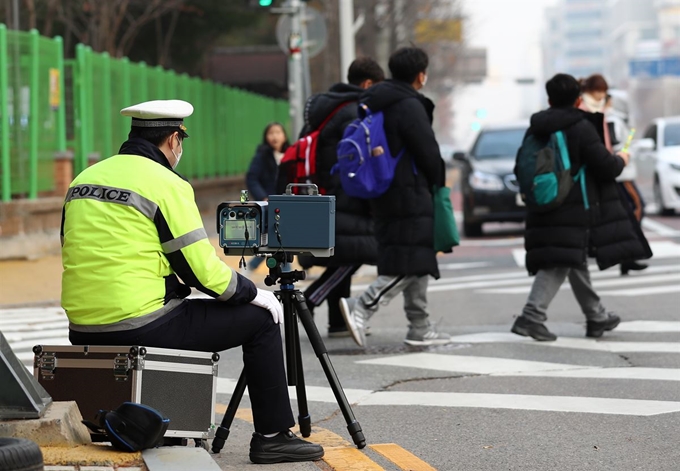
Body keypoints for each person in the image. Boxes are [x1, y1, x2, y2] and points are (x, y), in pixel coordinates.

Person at [60, 100, 324, 465]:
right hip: (141, 325)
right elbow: (202, 272)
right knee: (261, 321)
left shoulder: (83, 180)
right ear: (172, 140)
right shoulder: (166, 184)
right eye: (180, 141)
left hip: (82, 330)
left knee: (184, 311)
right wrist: (255, 294)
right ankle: (273, 436)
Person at [511, 74, 652, 342]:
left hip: (544, 200)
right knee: (560, 262)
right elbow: (606, 167)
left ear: (549, 99)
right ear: (578, 99)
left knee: (571, 258)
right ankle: (531, 316)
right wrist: (621, 158)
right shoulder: (580, 126)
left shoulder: (537, 126)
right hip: (572, 206)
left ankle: (596, 316)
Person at [338, 47, 450, 348]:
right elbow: (427, 151)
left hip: (385, 189)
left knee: (416, 256)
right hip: (409, 192)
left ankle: (420, 326)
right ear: (420, 74)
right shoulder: (408, 105)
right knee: (409, 263)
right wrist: (438, 180)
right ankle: (361, 306)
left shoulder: (377, 102)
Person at [295, 57, 384, 338]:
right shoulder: (352, 112)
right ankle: (309, 300)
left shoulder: (325, 109)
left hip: (318, 192)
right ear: (368, 83)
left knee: (341, 254)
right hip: (346, 194)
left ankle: (338, 322)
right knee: (354, 254)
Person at [579, 74, 647, 276]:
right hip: (619, 173)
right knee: (634, 210)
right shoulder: (608, 119)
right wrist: (623, 155)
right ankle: (627, 254)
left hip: (616, 171)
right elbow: (614, 146)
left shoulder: (608, 118)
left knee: (626, 213)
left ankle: (627, 256)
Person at [246, 122, 290, 270]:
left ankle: (251, 266)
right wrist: (263, 198)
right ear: (266, 137)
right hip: (269, 205)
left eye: (278, 132)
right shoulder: (262, 156)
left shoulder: (290, 154)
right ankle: (285, 272)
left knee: (278, 240)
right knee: (279, 240)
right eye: (271, 133)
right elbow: (252, 178)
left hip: (287, 204)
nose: (274, 136)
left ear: (284, 135)